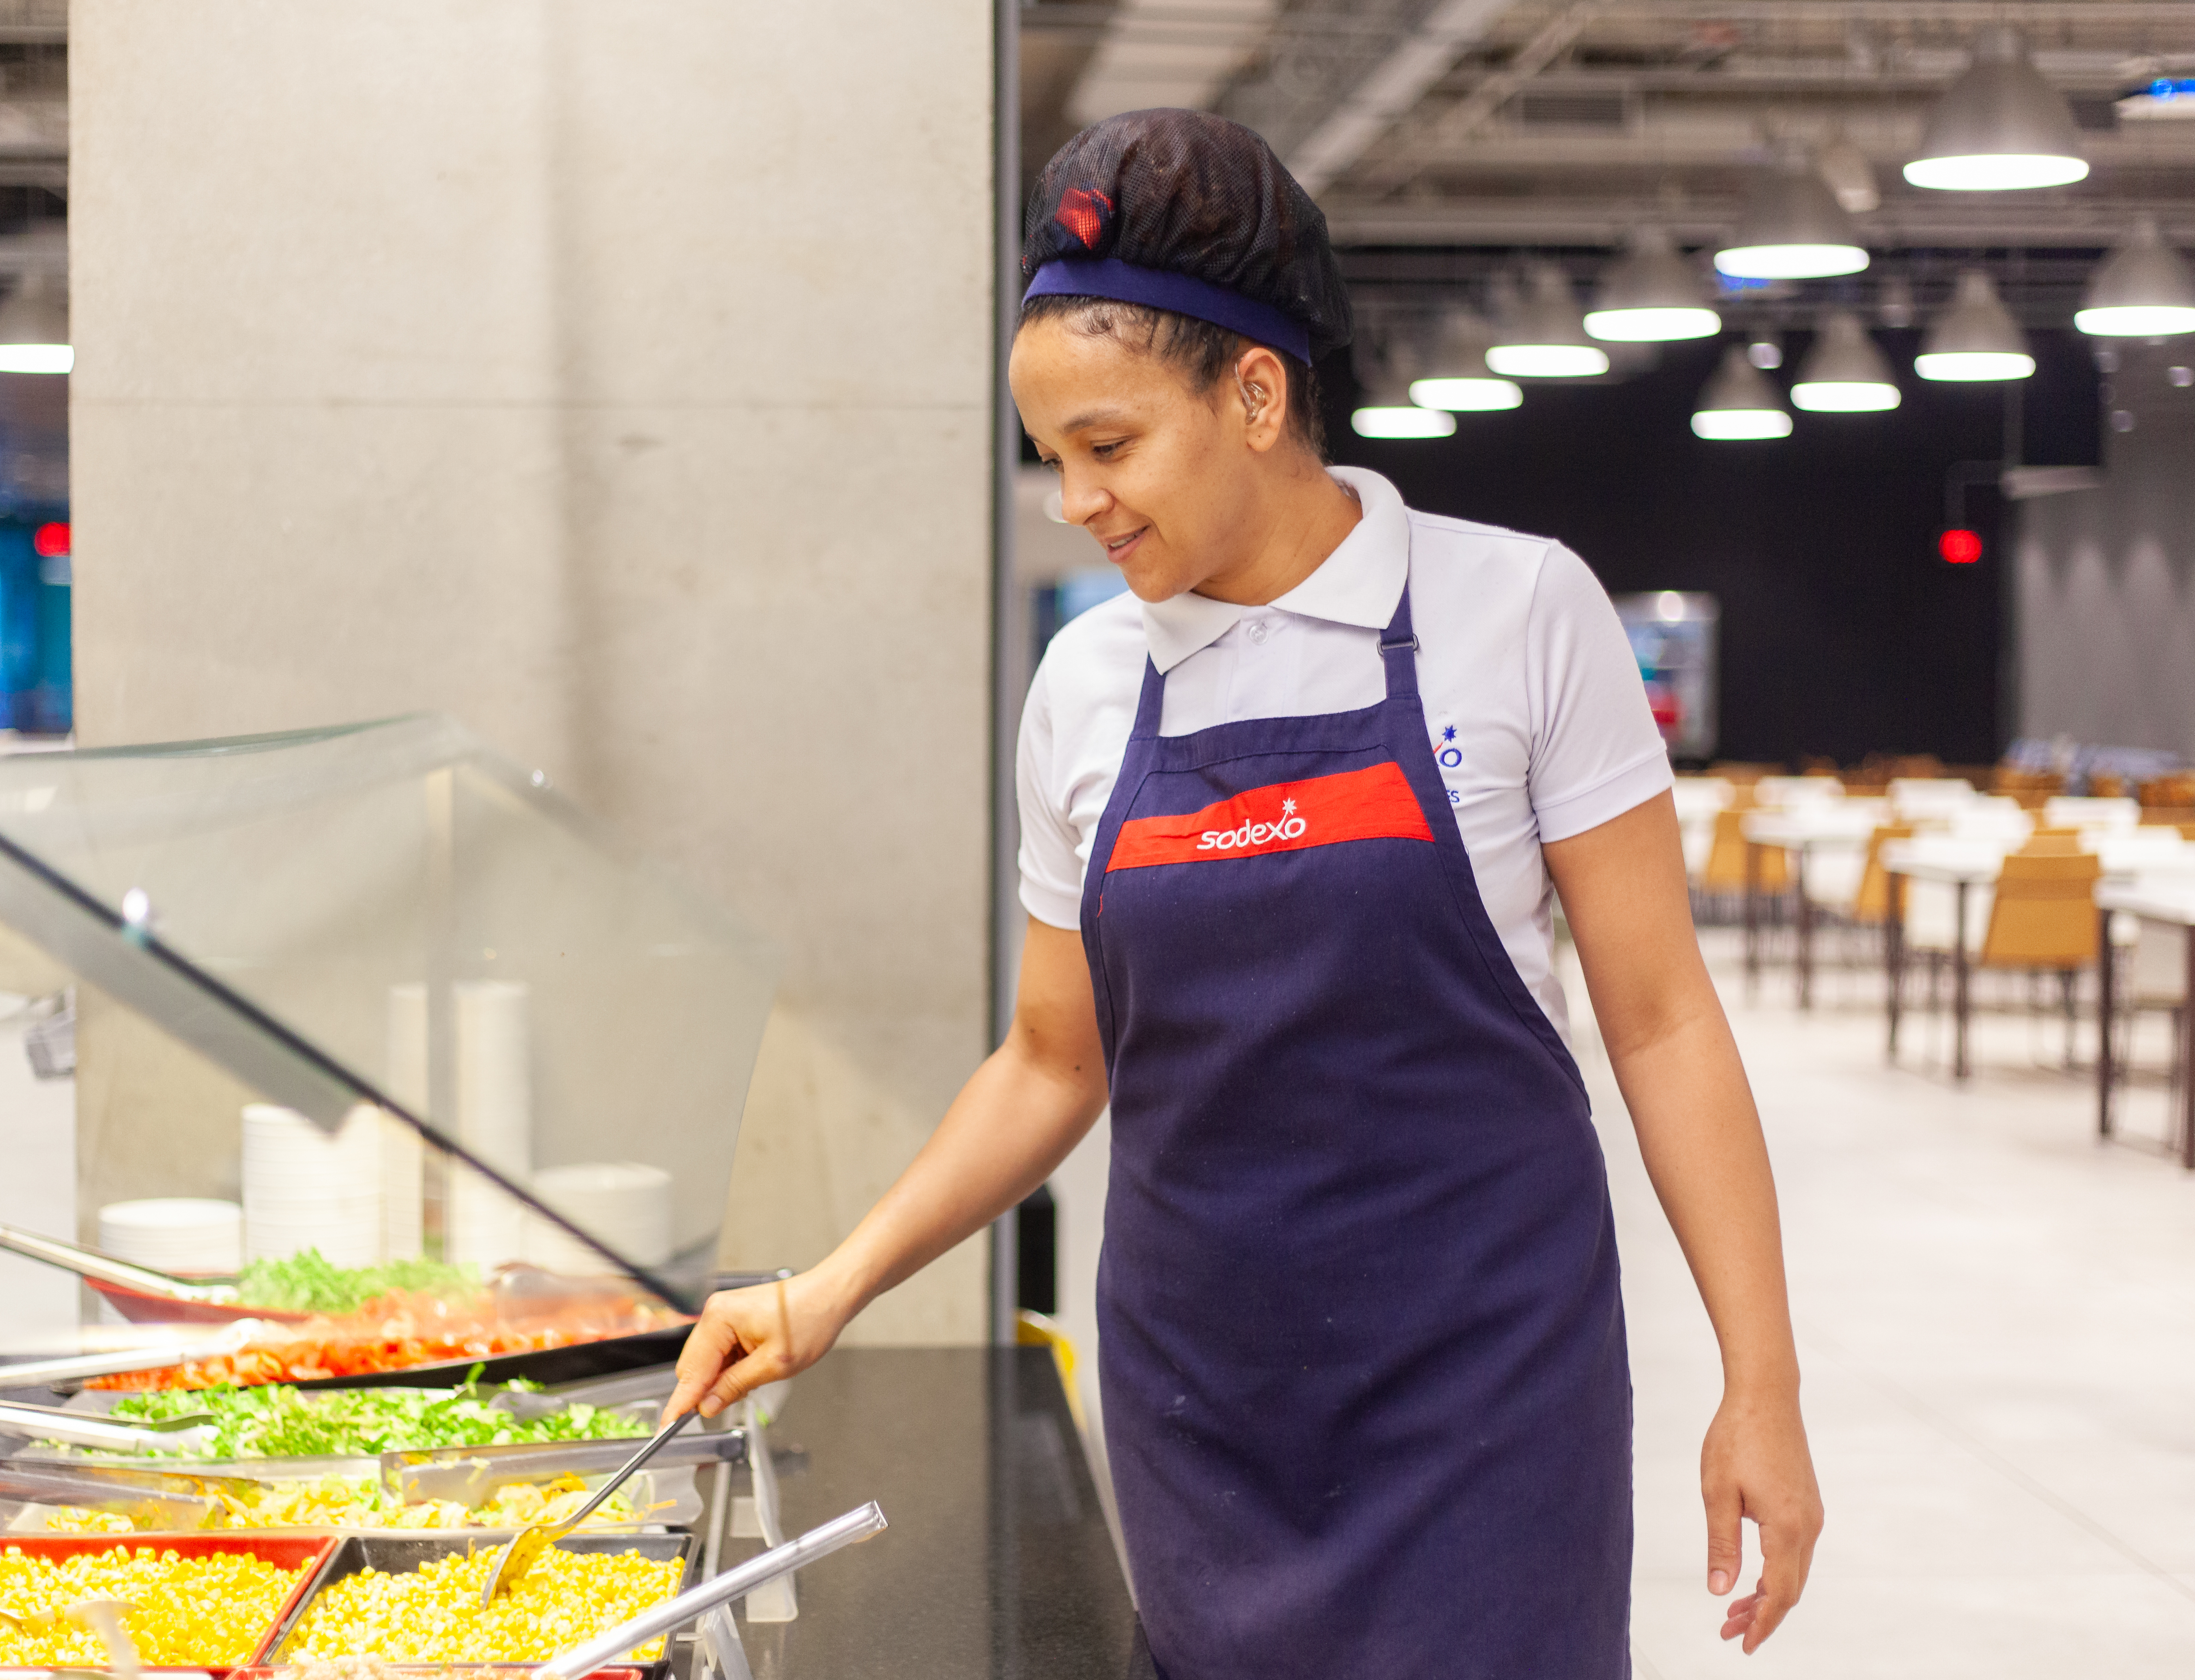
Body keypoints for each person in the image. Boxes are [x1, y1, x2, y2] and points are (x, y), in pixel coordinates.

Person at [665, 109, 1821, 1676]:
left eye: (1108, 447)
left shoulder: (1514, 610)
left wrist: (1761, 1381)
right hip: (1203, 1400)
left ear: (1256, 394)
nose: (1074, 501)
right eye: (1051, 456)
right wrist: (825, 1289)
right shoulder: (1085, 684)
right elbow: (1051, 1058)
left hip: (1485, 1391)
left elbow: (1664, 1022)